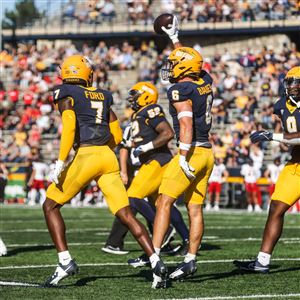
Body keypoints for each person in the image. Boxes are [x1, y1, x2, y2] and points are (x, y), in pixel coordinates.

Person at [43, 55, 166, 288]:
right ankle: (155, 260)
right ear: (85, 72)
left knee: (50, 205)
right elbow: (117, 136)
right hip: (108, 158)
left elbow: (69, 125)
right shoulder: (103, 94)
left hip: (87, 155)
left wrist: (60, 161)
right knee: (126, 214)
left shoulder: (65, 92)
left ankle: (65, 261)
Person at [151, 16, 215, 282]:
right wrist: (175, 38)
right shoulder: (204, 79)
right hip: (208, 152)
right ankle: (190, 260)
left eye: (174, 64)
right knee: (195, 208)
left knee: (163, 201)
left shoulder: (181, 88)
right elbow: (189, 60)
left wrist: (183, 155)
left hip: (192, 151)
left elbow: (186, 124)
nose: (171, 67)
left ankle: (153, 257)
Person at [102, 82, 190, 258]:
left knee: (132, 197)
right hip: (153, 161)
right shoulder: (138, 115)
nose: (132, 99)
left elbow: (167, 133)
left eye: (135, 95)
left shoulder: (151, 110)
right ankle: (188, 239)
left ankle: (165, 231)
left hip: (158, 160)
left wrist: (146, 147)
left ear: (146, 96)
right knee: (161, 204)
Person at [234, 66, 300, 273]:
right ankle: (262, 262)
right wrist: (281, 139)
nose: (291, 86)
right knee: (276, 208)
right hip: (295, 165)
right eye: (288, 82)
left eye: (295, 82)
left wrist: (273, 136)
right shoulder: (281, 105)